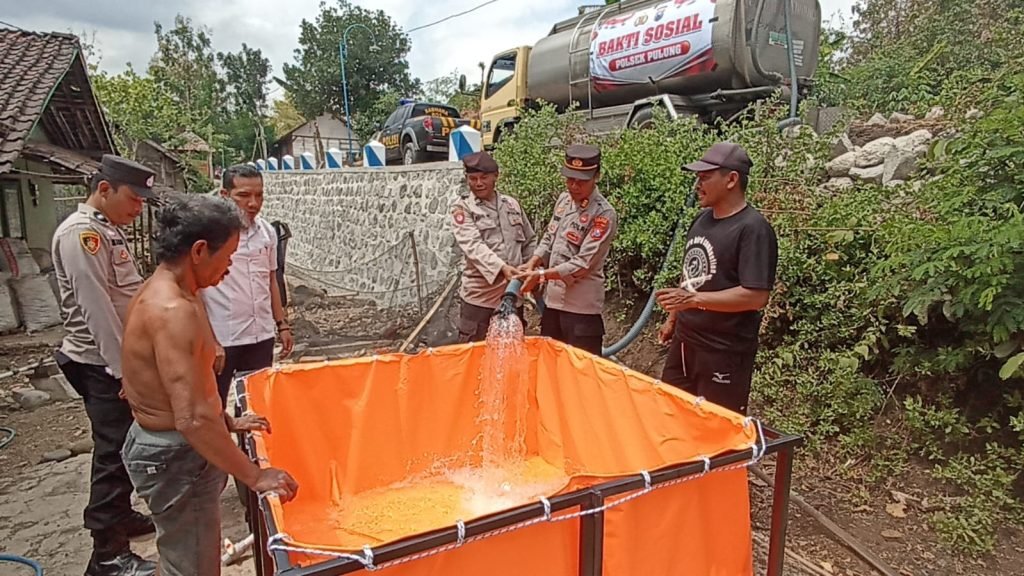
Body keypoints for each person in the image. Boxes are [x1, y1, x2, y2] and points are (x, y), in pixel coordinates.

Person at [119, 193, 299, 576]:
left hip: (168, 444)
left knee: (186, 554)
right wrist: (255, 476)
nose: (230, 267)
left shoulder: (173, 290)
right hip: (175, 454)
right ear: (199, 251)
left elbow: (169, 385)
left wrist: (227, 421)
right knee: (194, 567)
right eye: (228, 256)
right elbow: (192, 419)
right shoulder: (173, 311)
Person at [51, 155, 158, 576]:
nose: (138, 208)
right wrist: (123, 370)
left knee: (126, 446)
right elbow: (95, 309)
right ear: (104, 189)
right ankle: (107, 554)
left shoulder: (106, 229)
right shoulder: (81, 235)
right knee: (113, 454)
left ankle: (121, 516)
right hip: (102, 364)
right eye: (133, 198)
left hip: (118, 360)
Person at [655, 142, 779, 415]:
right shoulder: (701, 220)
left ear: (731, 179)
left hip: (723, 352)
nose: (697, 185)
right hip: (685, 344)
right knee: (669, 415)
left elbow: (756, 296)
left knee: (715, 427)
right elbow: (690, 275)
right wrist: (673, 318)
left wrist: (694, 300)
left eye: (705, 177)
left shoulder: (753, 229)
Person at [200, 164, 293, 408]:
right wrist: (209, 340)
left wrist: (281, 324)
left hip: (260, 335)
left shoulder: (267, 233)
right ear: (225, 195)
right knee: (214, 406)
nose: (253, 203)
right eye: (243, 195)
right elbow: (194, 291)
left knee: (257, 405)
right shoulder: (209, 236)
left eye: (259, 195)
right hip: (222, 337)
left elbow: (271, 280)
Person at [518, 144, 618, 355]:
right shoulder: (564, 200)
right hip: (552, 305)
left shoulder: (603, 214)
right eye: (570, 179)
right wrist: (533, 262)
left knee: (580, 371)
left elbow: (583, 264)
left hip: (581, 311)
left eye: (581, 181)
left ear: (596, 176)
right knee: (549, 365)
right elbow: (549, 237)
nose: (574, 186)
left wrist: (541, 276)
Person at [450, 151, 537, 341]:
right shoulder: (463, 209)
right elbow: (474, 246)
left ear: (496, 176)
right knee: (476, 354)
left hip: (514, 296)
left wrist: (529, 267)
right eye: (473, 178)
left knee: (512, 351)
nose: (478, 183)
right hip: (480, 300)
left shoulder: (512, 205)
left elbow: (530, 241)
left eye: (484, 178)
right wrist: (502, 268)